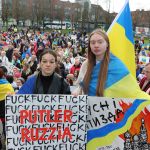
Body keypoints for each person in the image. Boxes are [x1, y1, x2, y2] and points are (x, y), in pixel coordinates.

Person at [73, 29, 150, 98]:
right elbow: (81, 87)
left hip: (110, 110)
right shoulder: (85, 65)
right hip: (88, 110)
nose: (96, 45)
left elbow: (132, 91)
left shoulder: (117, 65)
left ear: (107, 44)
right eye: (93, 43)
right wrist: (77, 92)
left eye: (100, 42)